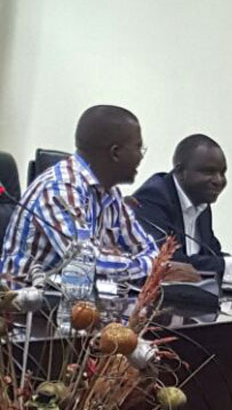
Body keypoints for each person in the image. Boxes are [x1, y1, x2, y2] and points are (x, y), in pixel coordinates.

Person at [1, 105, 195, 282]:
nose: (140, 157)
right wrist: (152, 267)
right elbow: (87, 263)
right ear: (115, 153)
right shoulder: (59, 189)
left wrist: (148, 264)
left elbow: (148, 249)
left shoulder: (111, 194)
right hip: (25, 309)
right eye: (138, 148)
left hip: (79, 304)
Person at [131, 134, 232, 281]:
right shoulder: (152, 199)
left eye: (222, 173)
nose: (219, 180)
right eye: (209, 172)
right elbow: (171, 264)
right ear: (180, 172)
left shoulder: (201, 202)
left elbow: (211, 256)